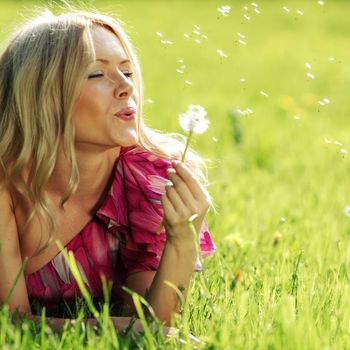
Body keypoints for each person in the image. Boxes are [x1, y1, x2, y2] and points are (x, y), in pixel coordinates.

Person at [0, 9, 215, 334]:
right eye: (97, 75)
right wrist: (109, 329)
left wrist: (182, 242)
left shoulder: (148, 179)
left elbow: (154, 325)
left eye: (127, 71)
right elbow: (11, 324)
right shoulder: (7, 187)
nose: (126, 87)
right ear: (43, 96)